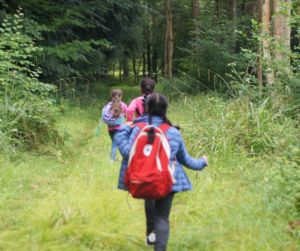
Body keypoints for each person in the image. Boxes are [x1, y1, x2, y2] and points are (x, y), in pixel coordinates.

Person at [117, 93, 208, 251]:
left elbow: (126, 152)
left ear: (146, 108)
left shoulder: (137, 128)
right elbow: (186, 160)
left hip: (142, 178)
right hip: (167, 179)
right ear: (165, 110)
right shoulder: (172, 131)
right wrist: (202, 162)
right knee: (162, 217)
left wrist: (125, 128)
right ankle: (159, 246)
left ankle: (150, 234)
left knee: (150, 197)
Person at [106, 89, 127, 164]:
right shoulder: (123, 105)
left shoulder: (109, 105)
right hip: (119, 128)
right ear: (121, 96)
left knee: (114, 142)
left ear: (112, 96)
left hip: (110, 128)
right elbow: (126, 115)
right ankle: (112, 160)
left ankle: (114, 158)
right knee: (115, 143)